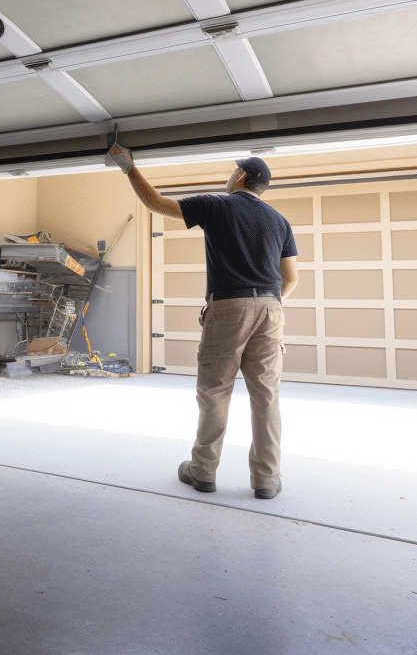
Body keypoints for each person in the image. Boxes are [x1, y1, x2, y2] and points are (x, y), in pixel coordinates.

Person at [106, 144, 298, 499]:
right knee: (266, 397)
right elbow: (290, 278)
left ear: (240, 177)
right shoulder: (279, 221)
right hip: (272, 309)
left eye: (232, 172)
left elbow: (156, 203)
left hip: (229, 308)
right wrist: (267, 306)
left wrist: (128, 167)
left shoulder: (216, 204)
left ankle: (203, 472)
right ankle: (267, 480)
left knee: (215, 391)